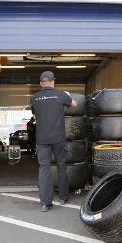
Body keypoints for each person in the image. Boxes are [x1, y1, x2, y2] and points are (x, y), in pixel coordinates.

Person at [30, 71, 77, 212]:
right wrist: (67, 97)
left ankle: (45, 203)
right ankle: (63, 197)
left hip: (42, 139)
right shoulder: (61, 94)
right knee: (61, 166)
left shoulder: (34, 98)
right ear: (53, 82)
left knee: (44, 168)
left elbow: (34, 112)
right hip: (58, 138)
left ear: (40, 83)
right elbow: (74, 104)